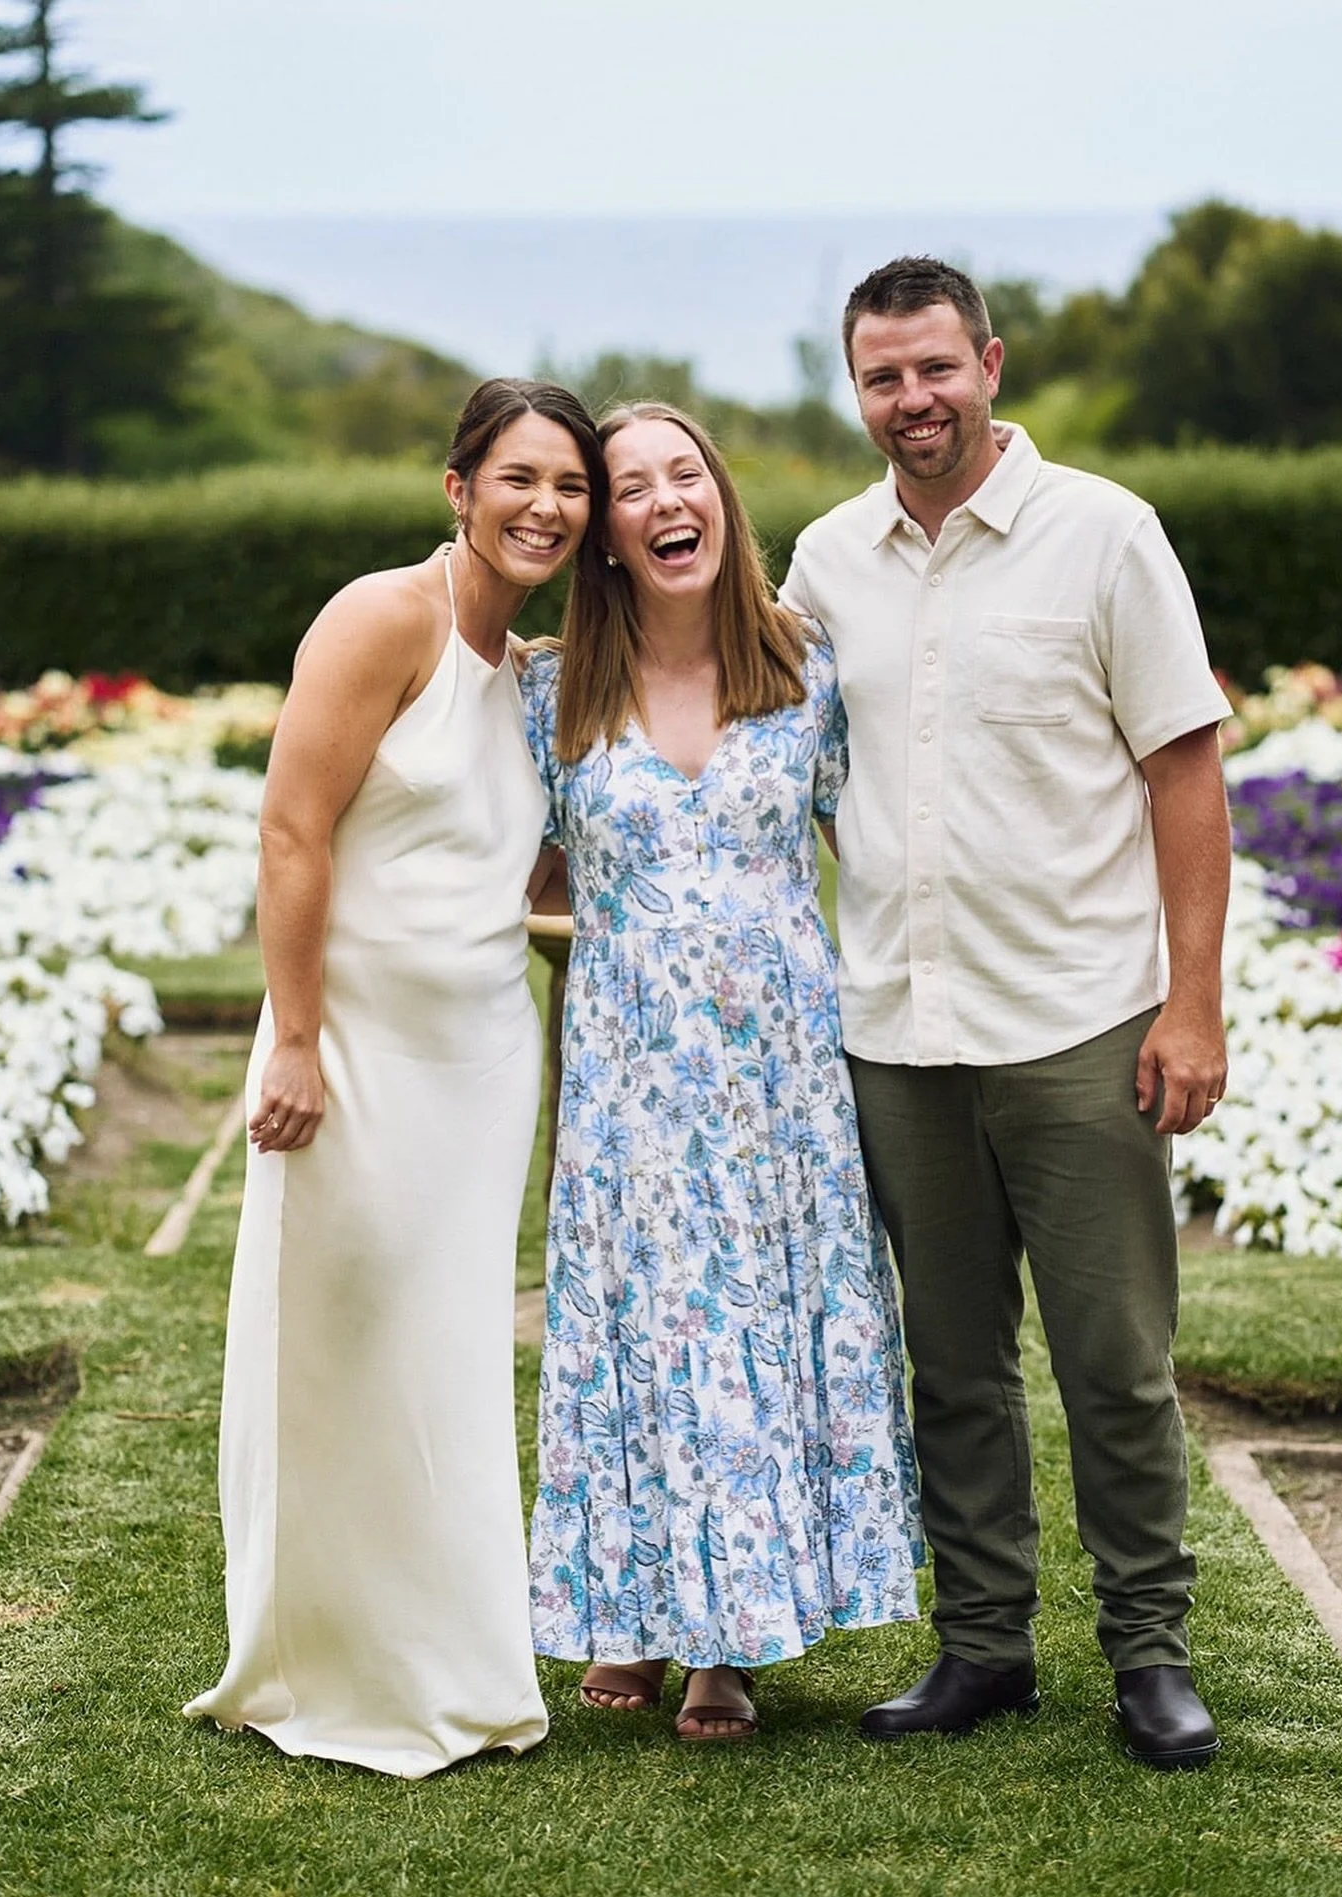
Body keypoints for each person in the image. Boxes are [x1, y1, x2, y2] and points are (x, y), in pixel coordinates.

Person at [779, 258, 1234, 1770]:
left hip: (1079, 1022)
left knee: (1113, 1359)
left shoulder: (1103, 534)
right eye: (879, 379)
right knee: (949, 1367)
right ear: (854, 388)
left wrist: (1193, 1008)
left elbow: (1182, 772)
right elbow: (774, 750)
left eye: (933, 371)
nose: (910, 403)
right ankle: (982, 1647)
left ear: (987, 362)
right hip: (896, 1037)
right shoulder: (826, 560)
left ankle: (1148, 1658)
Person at [184, 378, 605, 1778]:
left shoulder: (541, 675)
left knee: (446, 1353)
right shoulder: (381, 618)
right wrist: (294, 1036)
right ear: (458, 488)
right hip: (349, 1052)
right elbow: (293, 833)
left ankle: (461, 1664)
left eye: (571, 486)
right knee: (336, 1339)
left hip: (484, 1058)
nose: (546, 506)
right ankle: (324, 1661)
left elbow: (524, 863)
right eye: (520, 479)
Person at [520, 402, 921, 1743]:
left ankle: (723, 1648)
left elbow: (888, 840)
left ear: (720, 499)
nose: (661, 500)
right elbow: (487, 860)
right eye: (628, 488)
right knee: (642, 1335)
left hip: (778, 1084)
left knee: (749, 1333)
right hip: (631, 1079)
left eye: (682, 473)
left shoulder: (806, 672)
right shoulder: (549, 691)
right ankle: (628, 1612)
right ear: (607, 535)